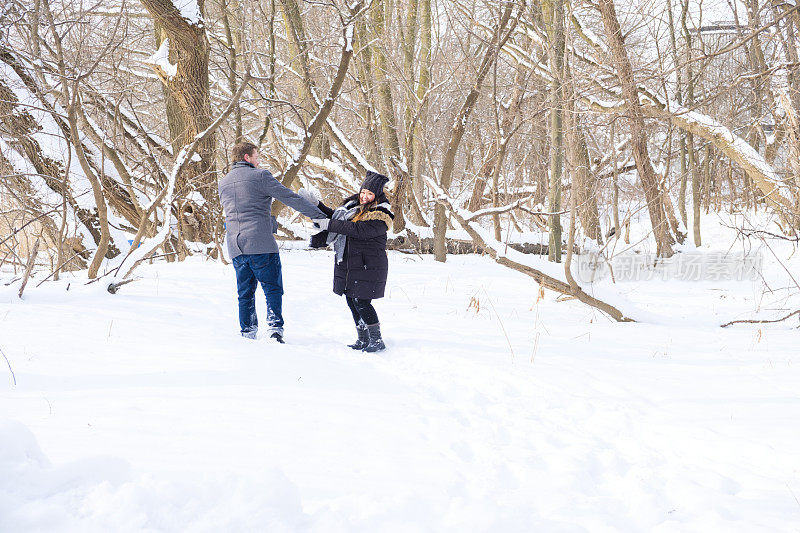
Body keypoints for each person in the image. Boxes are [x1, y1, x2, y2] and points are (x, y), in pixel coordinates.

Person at [218, 142, 329, 342]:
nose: (258, 160)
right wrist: (321, 216)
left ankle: (247, 331)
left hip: (235, 246)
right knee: (272, 288)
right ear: (246, 158)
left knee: (245, 292)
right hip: (260, 243)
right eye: (256, 156)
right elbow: (290, 198)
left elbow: (238, 210)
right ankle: (275, 329)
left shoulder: (223, 182)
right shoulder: (260, 176)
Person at [300, 171, 394, 352]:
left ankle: (376, 339)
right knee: (351, 300)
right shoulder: (352, 208)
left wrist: (327, 224)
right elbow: (336, 217)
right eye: (363, 192)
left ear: (377, 196)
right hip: (351, 264)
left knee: (362, 302)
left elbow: (356, 230)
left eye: (370, 194)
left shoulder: (381, 215)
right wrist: (316, 204)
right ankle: (363, 338)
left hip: (369, 266)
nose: (365, 197)